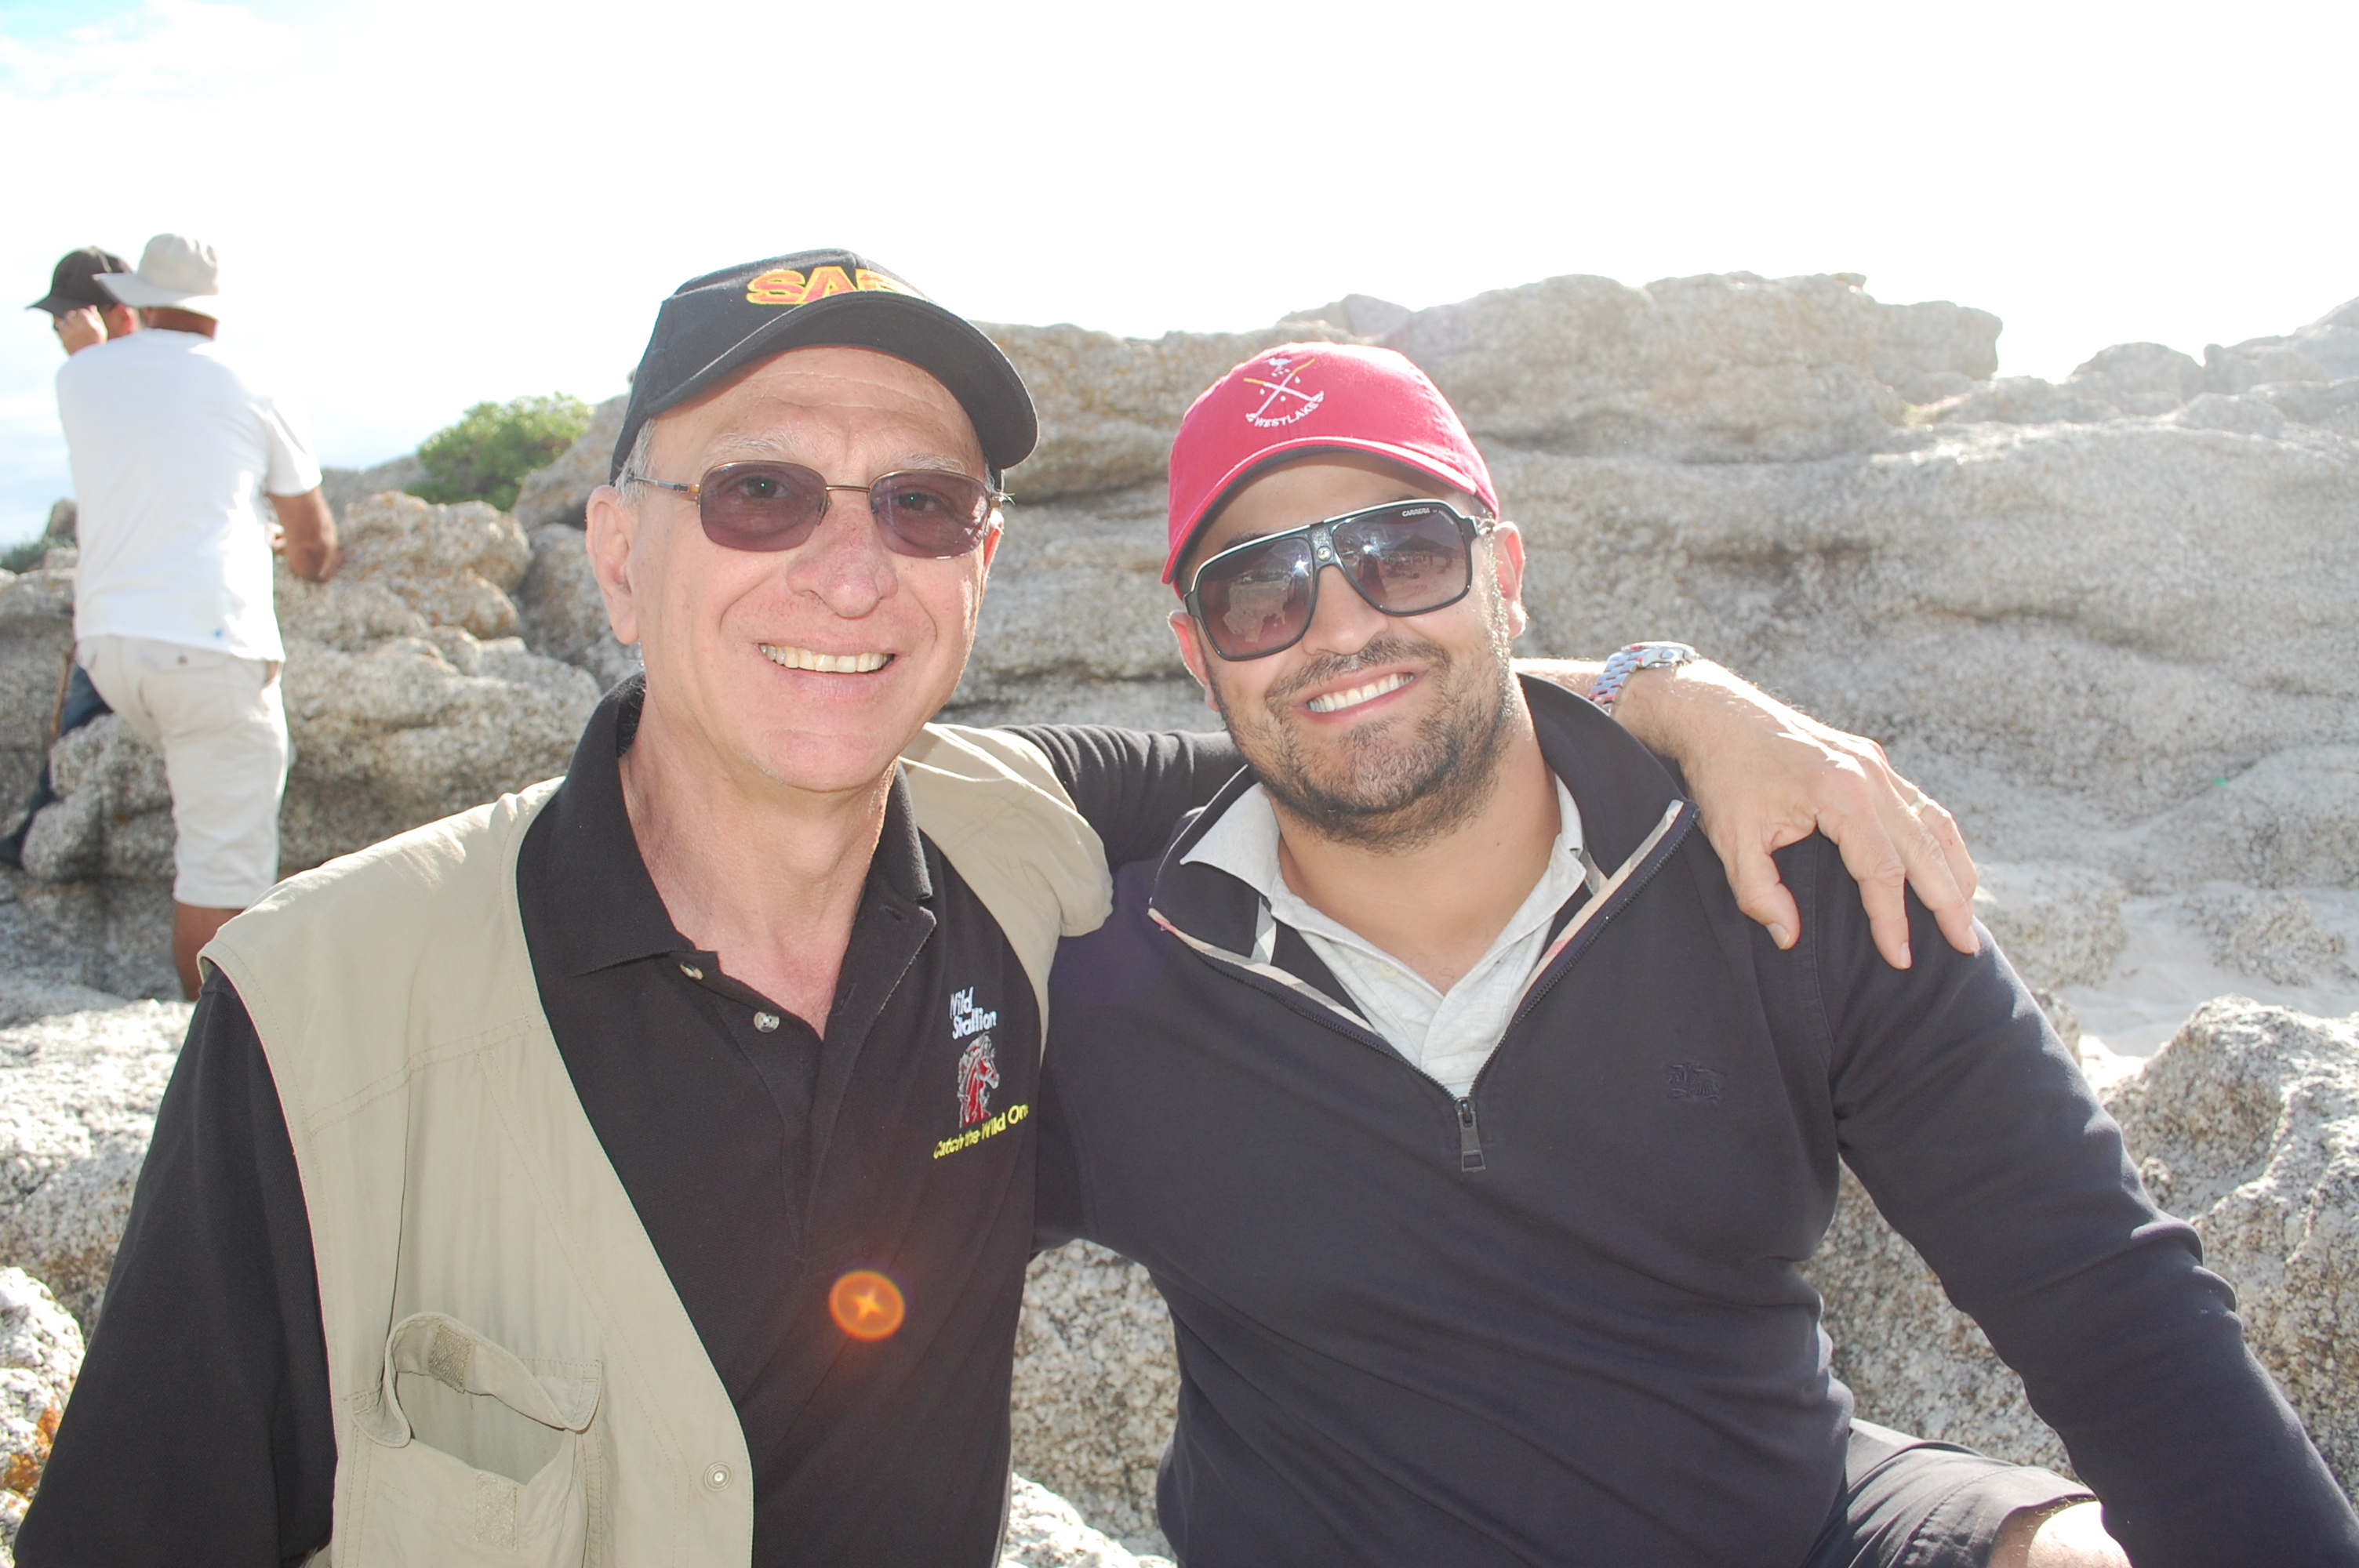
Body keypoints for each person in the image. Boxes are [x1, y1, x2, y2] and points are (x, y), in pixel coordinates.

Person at [23, 251, 1980, 1567]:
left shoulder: (1021, 847)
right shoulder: (321, 1018)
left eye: (923, 506)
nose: (849, 569)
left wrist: (1671, 690)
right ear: (616, 556)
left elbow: (1362, 714)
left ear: (977, 572)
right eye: (762, 495)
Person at [1032, 343, 2359, 1567]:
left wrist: (1657, 697)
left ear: (1503, 573)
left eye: (1401, 550)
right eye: (1256, 591)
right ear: (1196, 659)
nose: (1334, 625)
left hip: (1796, 1521)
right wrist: (1657, 685)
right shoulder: (1112, 975)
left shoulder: (1780, 874)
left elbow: (2107, 1304)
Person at [51, 233, 341, 997]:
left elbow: (161, 465)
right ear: (215, 311)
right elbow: (313, 542)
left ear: (141, 300)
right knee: (223, 867)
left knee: (200, 811)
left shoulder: (79, 377)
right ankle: (211, 1049)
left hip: (110, 651)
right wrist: (299, 552)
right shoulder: (253, 379)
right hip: (208, 648)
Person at [2, 247, 138, 869]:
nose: (59, 333)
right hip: (114, 586)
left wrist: (92, 356)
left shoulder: (116, 371)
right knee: (77, 718)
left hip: (142, 597)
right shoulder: (100, 373)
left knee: (84, 714)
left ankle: (36, 830)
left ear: (111, 312)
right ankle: (37, 826)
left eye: (67, 319)